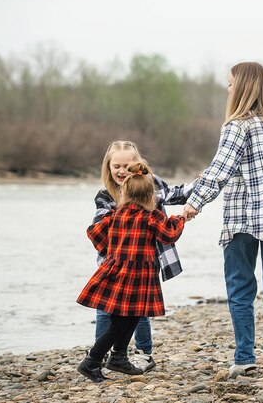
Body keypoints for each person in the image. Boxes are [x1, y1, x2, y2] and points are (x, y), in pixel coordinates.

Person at [183, 62, 263, 378]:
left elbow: (222, 170)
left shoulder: (237, 125)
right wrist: (207, 177)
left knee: (240, 288)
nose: (228, 88)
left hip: (243, 218)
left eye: (231, 83)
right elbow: (248, 168)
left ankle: (245, 356)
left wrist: (193, 203)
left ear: (244, 87)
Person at [77, 160, 187, 382]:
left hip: (117, 274)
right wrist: (182, 217)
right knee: (120, 323)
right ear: (151, 197)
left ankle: (118, 357)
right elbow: (170, 234)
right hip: (139, 276)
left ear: (124, 193)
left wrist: (112, 250)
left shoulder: (114, 215)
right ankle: (91, 362)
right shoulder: (152, 216)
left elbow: (94, 233)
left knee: (132, 317)